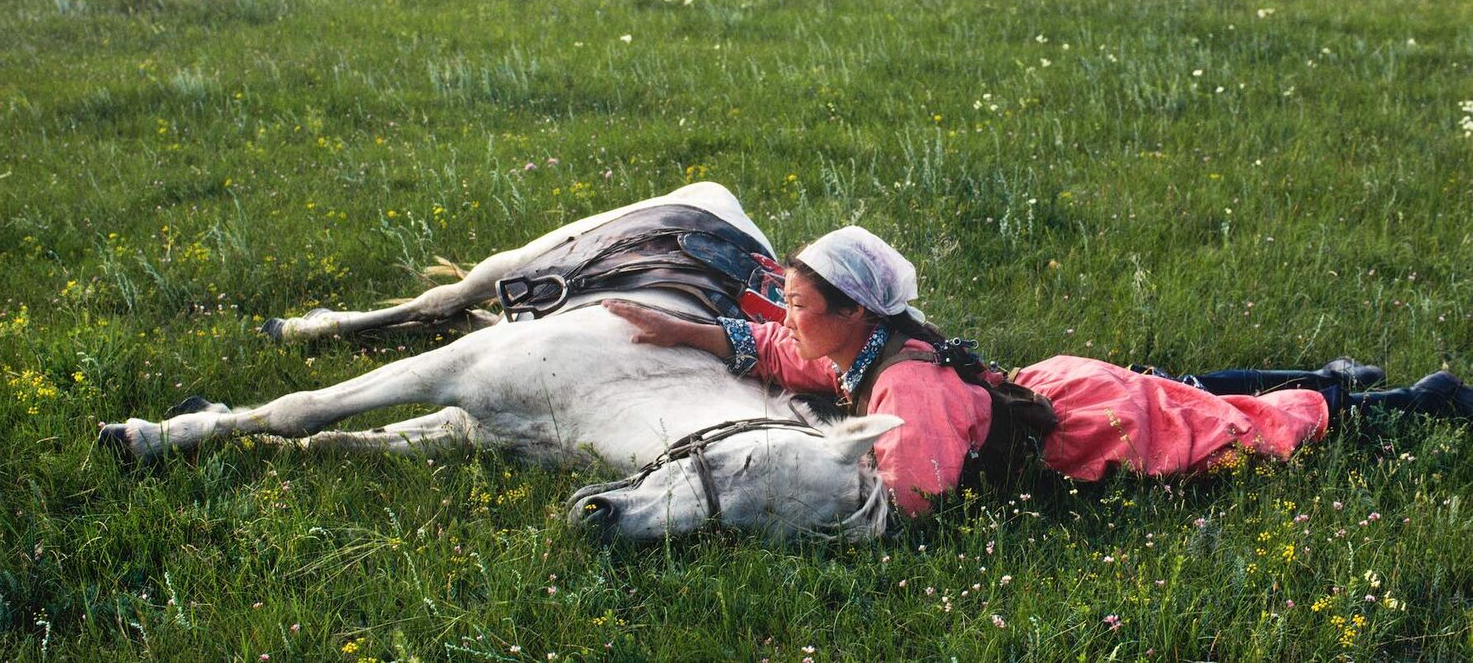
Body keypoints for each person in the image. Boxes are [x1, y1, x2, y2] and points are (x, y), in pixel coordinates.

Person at [604, 226, 1473, 516]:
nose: (787, 315)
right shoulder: (866, 348)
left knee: (1238, 429)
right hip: (1053, 387)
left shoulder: (902, 389)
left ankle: (1403, 401)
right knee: (1191, 389)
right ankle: (1336, 377)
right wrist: (680, 329)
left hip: (1083, 432)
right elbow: (781, 354)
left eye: (797, 300)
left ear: (854, 311)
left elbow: (915, 501)